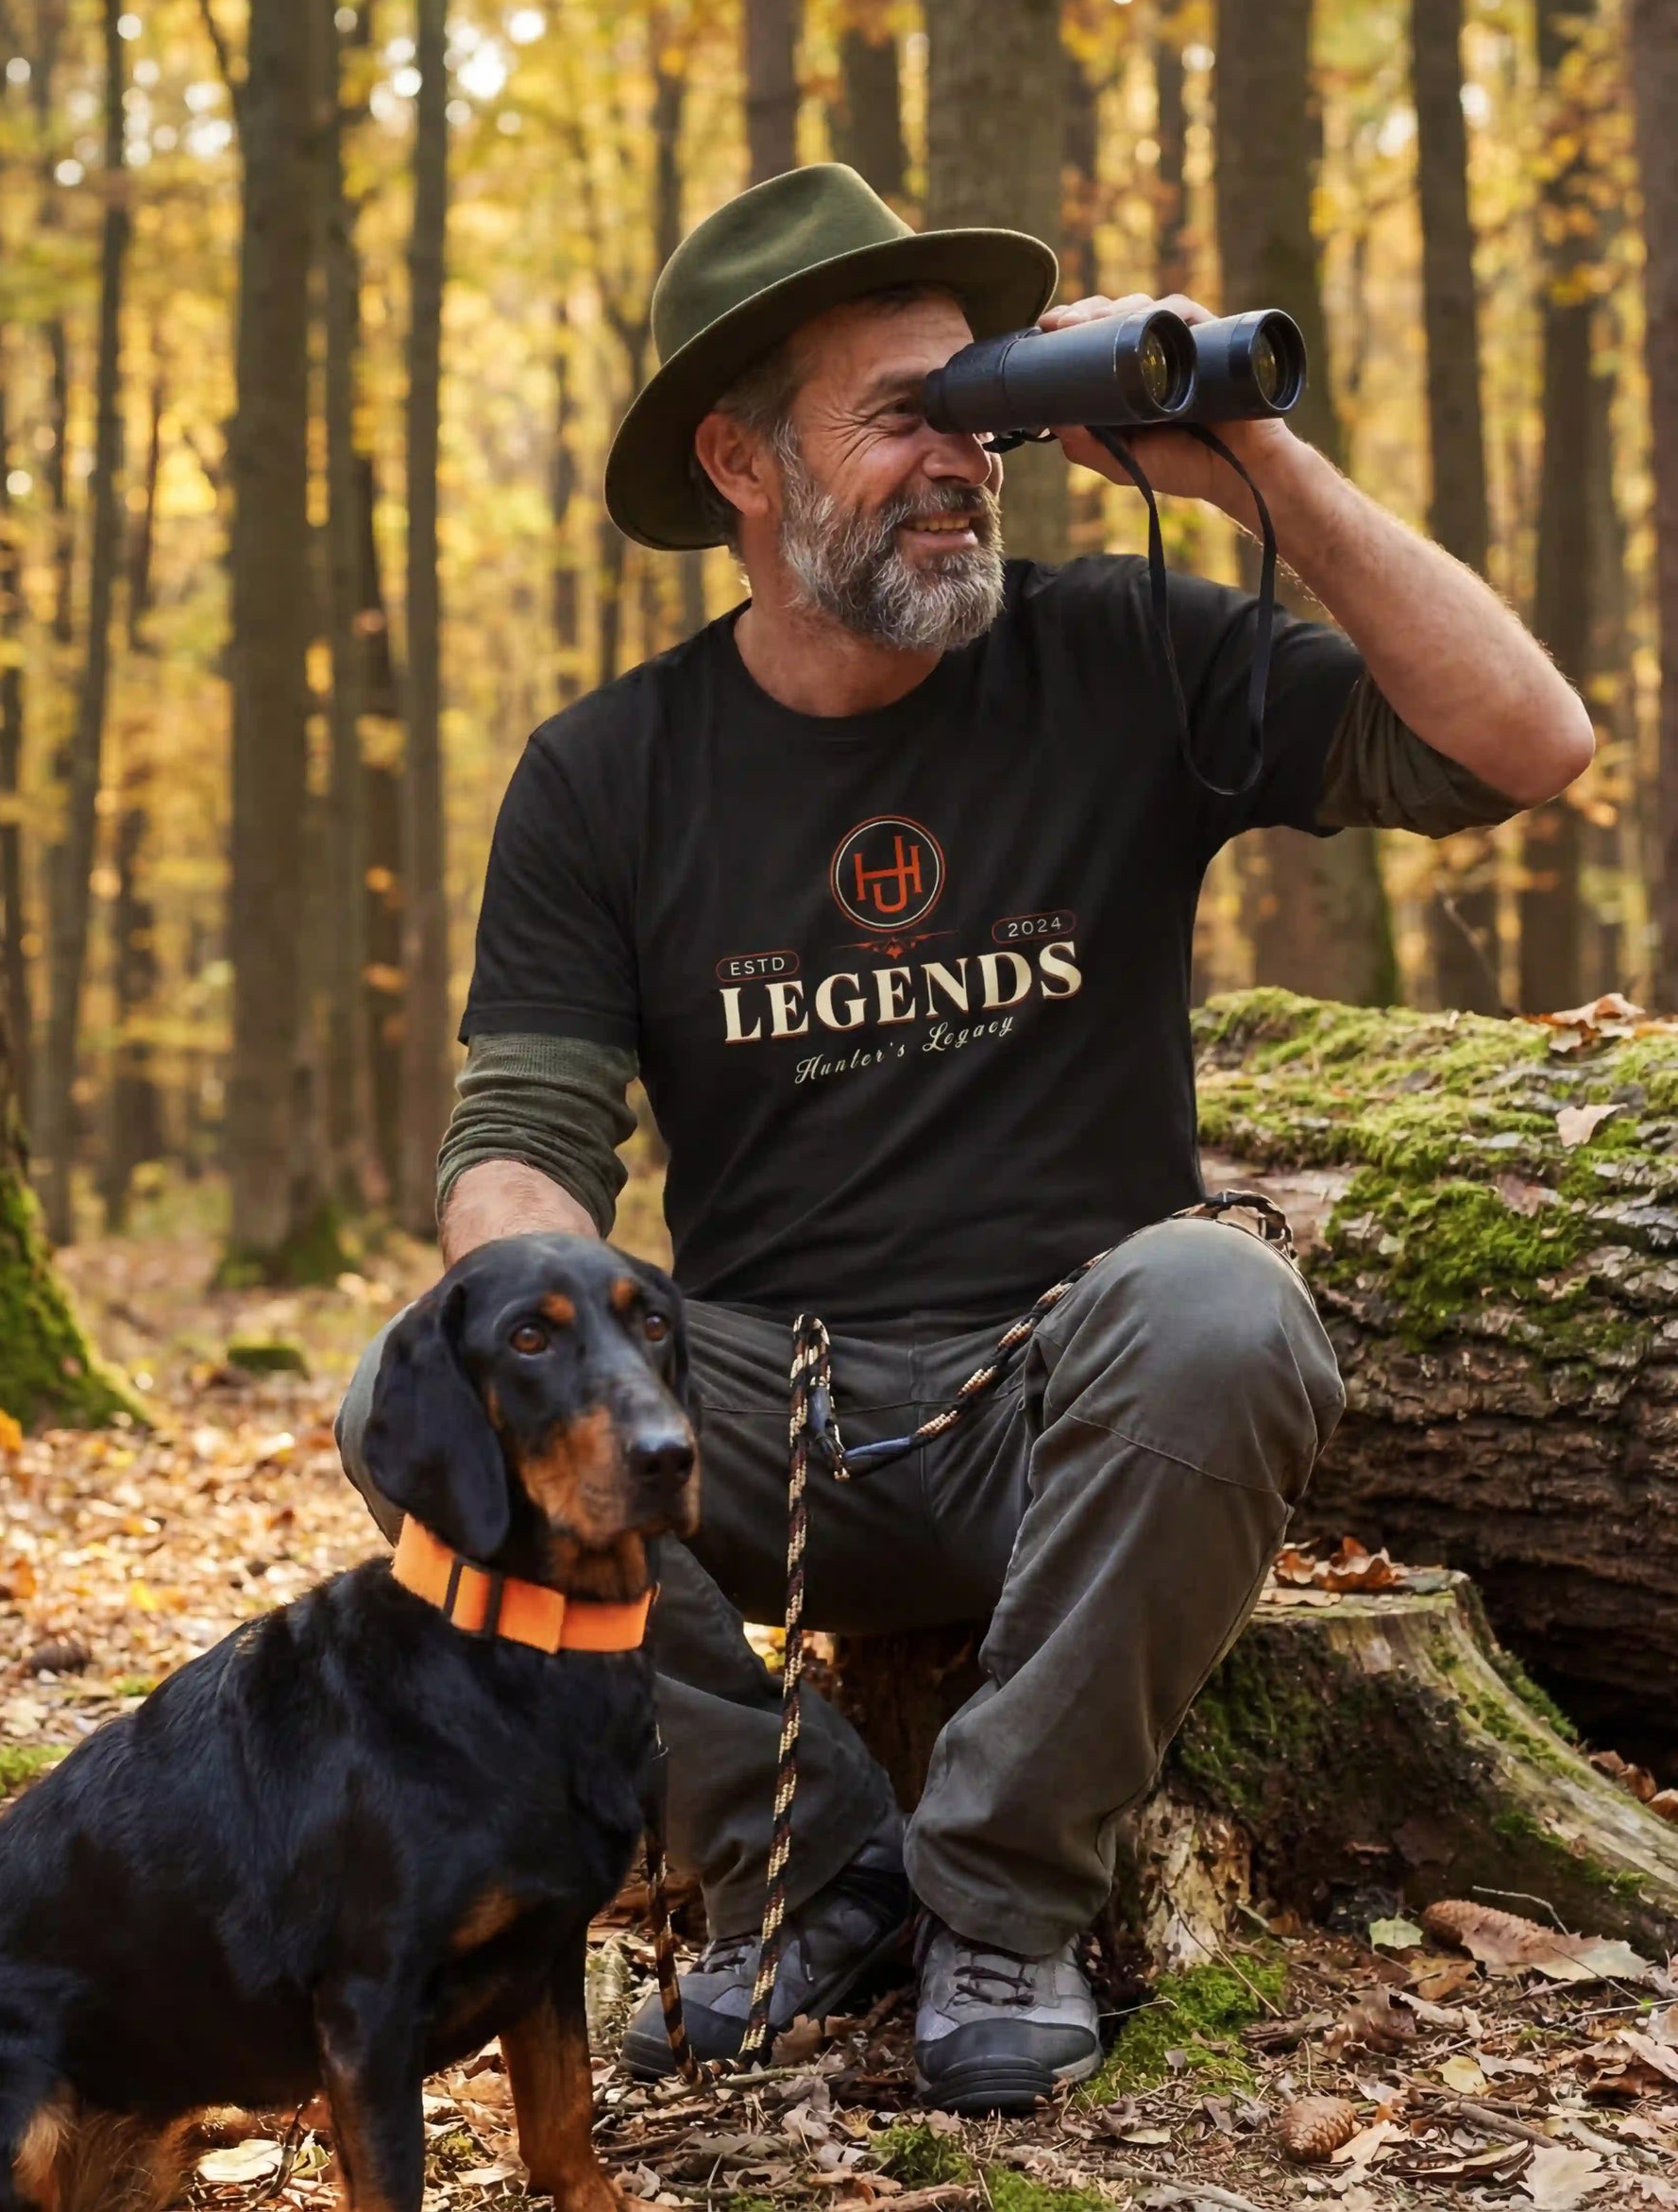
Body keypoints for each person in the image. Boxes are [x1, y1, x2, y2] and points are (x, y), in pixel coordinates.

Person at [335, 164, 1592, 2111]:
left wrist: (1257, 463)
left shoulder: (1124, 655)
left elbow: (1524, 741)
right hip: (773, 1426)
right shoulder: (608, 773)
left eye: (984, 407)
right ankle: (798, 1865)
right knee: (410, 1386)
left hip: (1064, 1411)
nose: (966, 460)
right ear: (739, 465)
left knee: (1219, 1304)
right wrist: (529, 1323)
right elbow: (522, 1139)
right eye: (905, 415)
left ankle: (997, 1895)